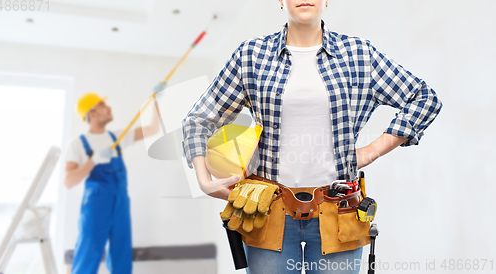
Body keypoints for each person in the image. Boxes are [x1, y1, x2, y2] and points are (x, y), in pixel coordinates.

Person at [182, 0, 442, 273]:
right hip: (268, 214)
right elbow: (198, 120)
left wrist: (373, 150)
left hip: (338, 212)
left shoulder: (359, 55)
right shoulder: (251, 56)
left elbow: (424, 98)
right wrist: (203, 180)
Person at [64, 92, 158, 274]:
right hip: (96, 204)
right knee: (88, 252)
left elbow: (152, 129)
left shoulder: (117, 137)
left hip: (120, 202)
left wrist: (154, 101)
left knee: (121, 254)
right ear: (92, 114)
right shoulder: (77, 144)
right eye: (103, 106)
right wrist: (94, 160)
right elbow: (68, 181)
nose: (109, 108)